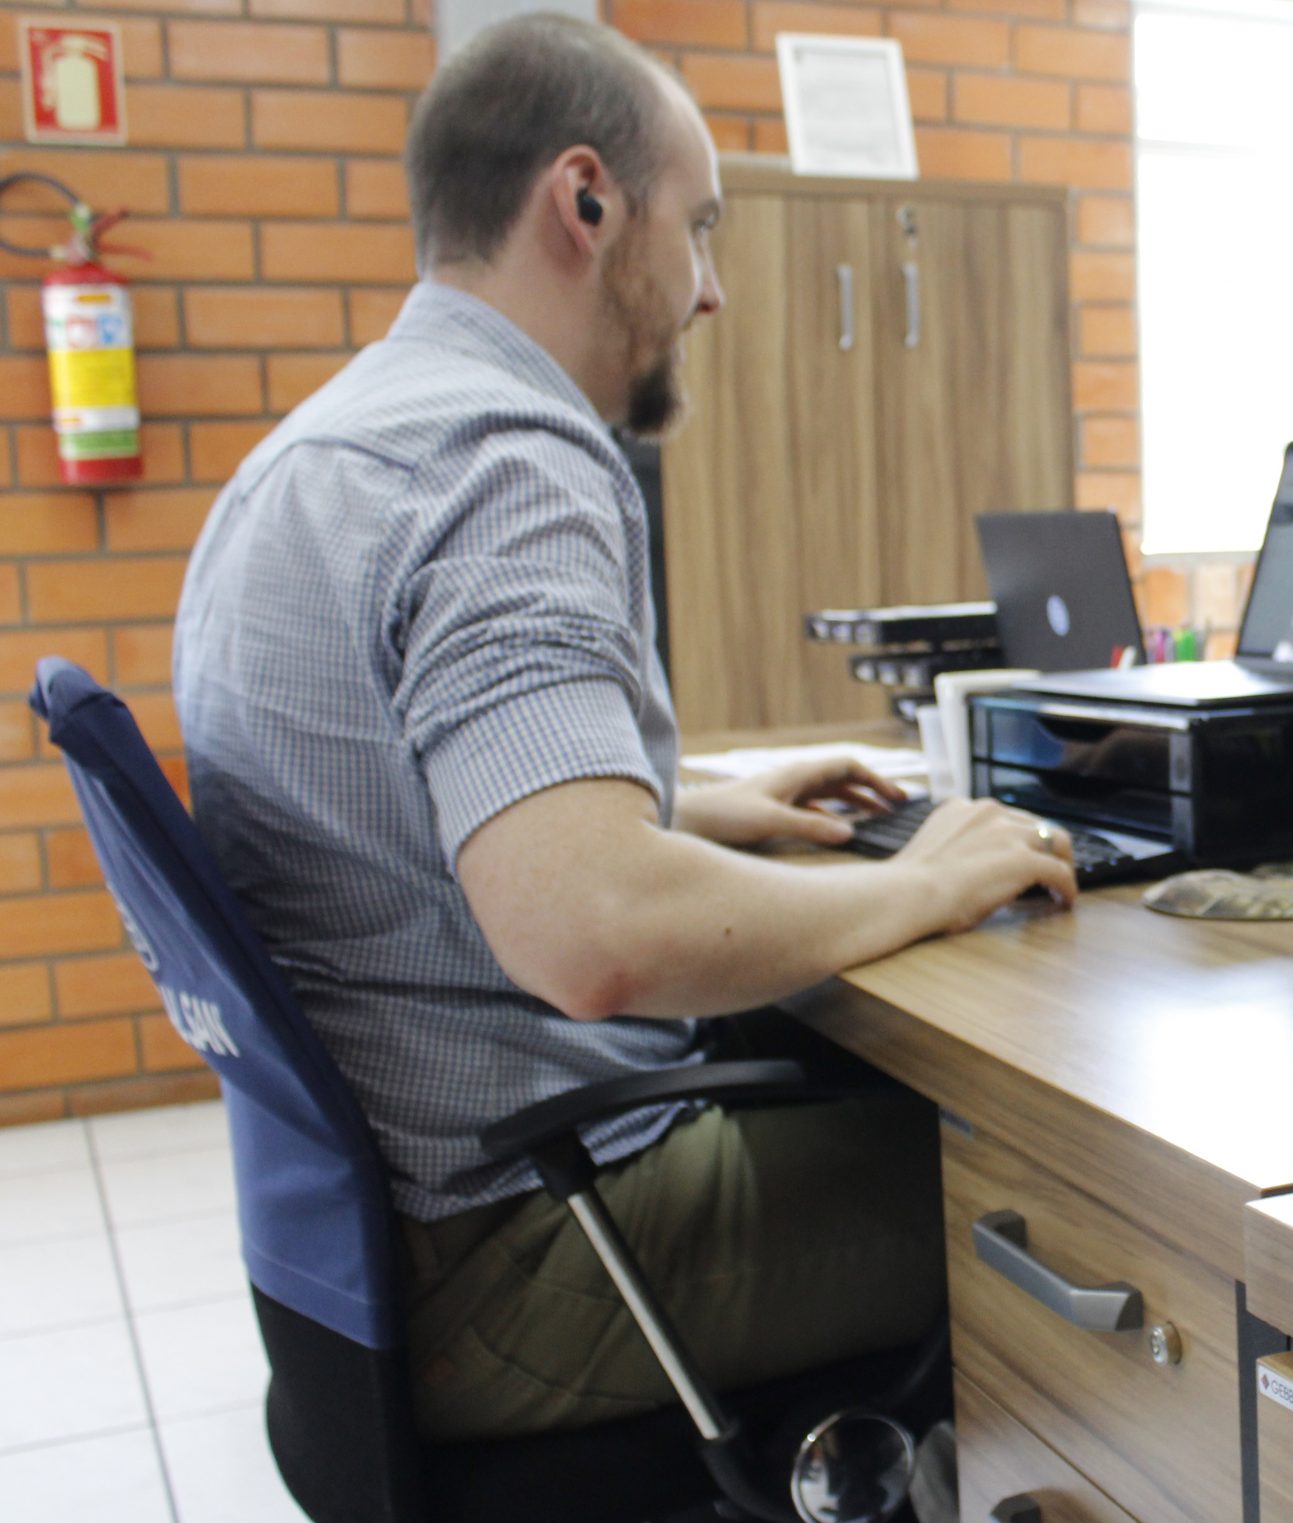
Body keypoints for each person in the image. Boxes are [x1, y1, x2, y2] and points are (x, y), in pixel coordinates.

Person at [170, 15, 1071, 1451]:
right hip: (527, 1255)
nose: (710, 291)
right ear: (585, 203)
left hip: (363, 1271)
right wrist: (923, 881)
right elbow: (593, 934)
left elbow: (388, 804)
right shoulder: (501, 461)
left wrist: (680, 805)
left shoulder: (314, 457)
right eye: (698, 228)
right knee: (1060, 1205)